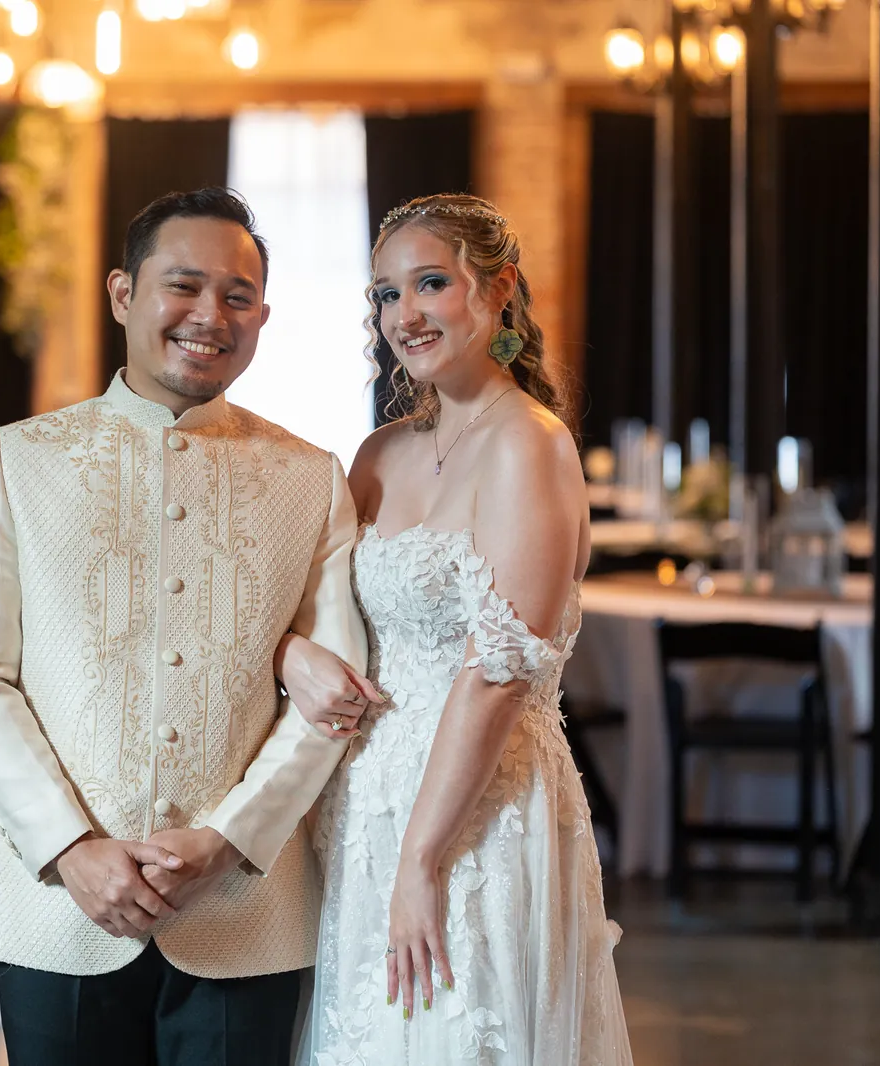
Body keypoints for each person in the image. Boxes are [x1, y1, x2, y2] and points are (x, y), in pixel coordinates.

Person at [0, 187, 370, 1066]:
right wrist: (69, 848)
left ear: (262, 318)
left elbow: (331, 697)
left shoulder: (312, 478)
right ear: (123, 295)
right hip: (57, 905)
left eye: (237, 298)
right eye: (183, 285)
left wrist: (228, 841)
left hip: (244, 909)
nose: (210, 316)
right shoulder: (18, 460)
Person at [280, 193, 635, 1064]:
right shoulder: (379, 455)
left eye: (430, 283)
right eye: (386, 295)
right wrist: (294, 656)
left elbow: (499, 671)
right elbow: (306, 612)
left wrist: (423, 860)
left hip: (478, 820)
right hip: (362, 810)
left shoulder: (532, 445)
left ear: (498, 288)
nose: (405, 314)